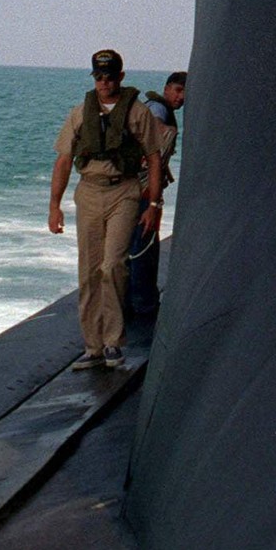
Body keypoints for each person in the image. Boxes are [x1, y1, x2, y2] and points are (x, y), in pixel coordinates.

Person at [48, 49, 164, 371]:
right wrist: (54, 206)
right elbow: (63, 160)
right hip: (89, 192)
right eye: (99, 77)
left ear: (121, 77)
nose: (104, 82)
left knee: (112, 264)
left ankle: (113, 340)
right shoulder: (80, 114)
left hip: (123, 192)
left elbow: (154, 157)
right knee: (89, 270)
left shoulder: (137, 113)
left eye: (110, 76)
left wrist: (153, 204)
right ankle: (93, 346)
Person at [126, 70, 186, 318]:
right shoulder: (158, 111)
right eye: (178, 91)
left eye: (185, 94)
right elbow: (152, 152)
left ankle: (136, 298)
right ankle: (141, 302)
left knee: (142, 243)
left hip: (144, 185)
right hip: (143, 187)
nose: (181, 98)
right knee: (143, 243)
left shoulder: (155, 108)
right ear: (166, 88)